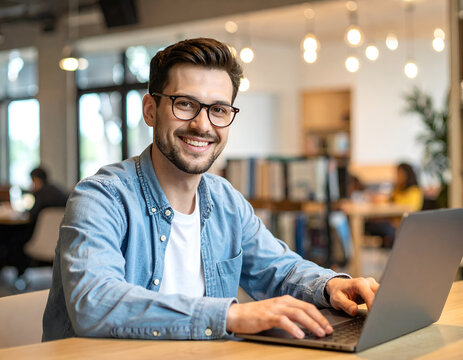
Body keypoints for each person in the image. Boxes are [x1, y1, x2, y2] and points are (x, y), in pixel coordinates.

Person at [43, 38, 378, 342]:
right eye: (185, 104)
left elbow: (279, 269)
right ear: (150, 110)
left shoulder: (225, 200)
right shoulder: (101, 198)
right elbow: (94, 303)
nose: (203, 125)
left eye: (218, 110)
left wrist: (333, 286)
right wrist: (230, 316)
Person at [365, 162, 424, 247]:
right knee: (369, 224)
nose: (397, 177)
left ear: (406, 174)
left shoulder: (414, 191)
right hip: (391, 223)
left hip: (404, 226)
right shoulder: (398, 189)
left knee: (374, 227)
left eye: (399, 173)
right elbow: (389, 200)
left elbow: (410, 210)